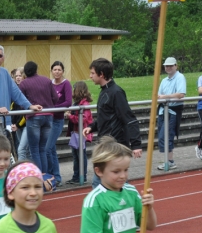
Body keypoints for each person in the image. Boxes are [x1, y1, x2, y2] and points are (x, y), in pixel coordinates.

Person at [83, 58, 142, 189]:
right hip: (106, 145)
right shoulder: (104, 91)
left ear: (101, 74)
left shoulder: (116, 92)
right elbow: (106, 117)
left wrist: (136, 144)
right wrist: (92, 127)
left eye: (92, 73)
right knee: (109, 182)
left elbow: (129, 118)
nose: (90, 76)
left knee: (104, 182)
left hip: (116, 145)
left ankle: (128, 203)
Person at [0, 45, 41, 135]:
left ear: (3, 58)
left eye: (0, 56)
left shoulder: (5, 72)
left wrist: (29, 106)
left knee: (5, 147)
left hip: (5, 119)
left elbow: (16, 92)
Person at [18, 61, 58, 175]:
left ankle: (38, 177)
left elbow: (21, 102)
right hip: (49, 116)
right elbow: (55, 98)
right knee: (42, 149)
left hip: (33, 117)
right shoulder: (47, 80)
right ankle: (44, 176)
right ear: (36, 69)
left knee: (34, 149)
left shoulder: (24, 84)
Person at [156, 57, 186, 170]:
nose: (168, 68)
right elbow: (159, 96)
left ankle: (169, 161)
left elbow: (181, 94)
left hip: (173, 111)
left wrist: (165, 97)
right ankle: (168, 160)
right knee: (162, 136)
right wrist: (163, 98)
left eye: (170, 66)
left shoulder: (180, 77)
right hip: (163, 110)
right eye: (166, 66)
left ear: (176, 66)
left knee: (166, 135)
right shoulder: (164, 80)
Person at [65, 81, 94, 185]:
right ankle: (76, 176)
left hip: (81, 133)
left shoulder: (84, 104)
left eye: (74, 89)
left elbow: (83, 119)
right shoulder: (77, 103)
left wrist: (70, 117)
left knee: (80, 155)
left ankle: (82, 176)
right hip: (75, 132)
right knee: (76, 155)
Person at [49, 61, 73, 186]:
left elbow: (68, 101)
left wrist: (54, 107)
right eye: (54, 69)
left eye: (59, 69)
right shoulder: (49, 84)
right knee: (51, 148)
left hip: (57, 119)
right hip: (48, 119)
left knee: (48, 148)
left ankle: (54, 176)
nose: (57, 72)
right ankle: (55, 177)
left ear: (63, 71)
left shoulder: (66, 84)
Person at [11, 68, 29, 160]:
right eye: (16, 76)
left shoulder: (27, 89)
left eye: (20, 75)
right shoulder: (14, 90)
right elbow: (13, 108)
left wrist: (18, 124)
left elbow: (26, 111)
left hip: (26, 123)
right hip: (17, 125)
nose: (18, 78)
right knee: (21, 149)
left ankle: (22, 172)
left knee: (22, 150)